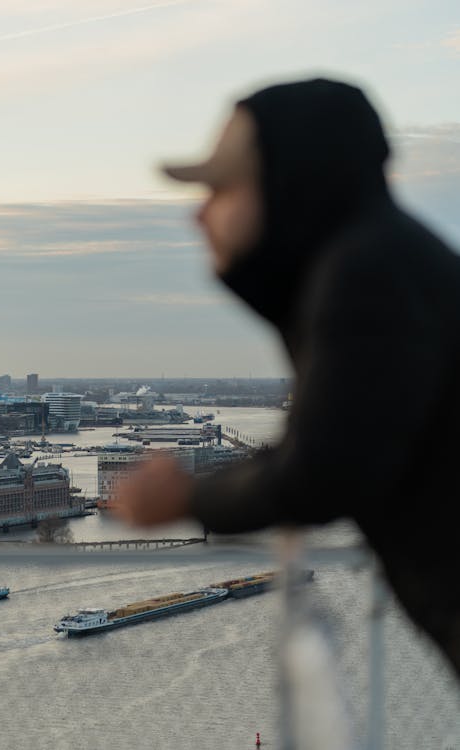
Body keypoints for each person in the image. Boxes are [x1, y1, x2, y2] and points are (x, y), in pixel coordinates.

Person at [114, 78, 460, 676]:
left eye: (221, 189)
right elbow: (327, 442)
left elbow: (322, 473)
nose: (199, 214)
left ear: (286, 186)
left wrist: (187, 497)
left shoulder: (366, 273)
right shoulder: (384, 258)